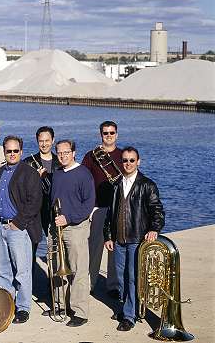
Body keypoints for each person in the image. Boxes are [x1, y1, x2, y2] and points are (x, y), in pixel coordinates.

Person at [104, 146, 165, 332]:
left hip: (137, 239)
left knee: (132, 278)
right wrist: (108, 235)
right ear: (120, 162)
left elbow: (157, 211)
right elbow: (110, 213)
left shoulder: (147, 184)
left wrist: (154, 228)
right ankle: (128, 308)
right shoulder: (116, 184)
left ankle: (129, 316)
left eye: (132, 160)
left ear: (138, 162)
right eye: (125, 160)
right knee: (121, 278)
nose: (128, 163)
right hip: (119, 240)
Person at [0, 135, 43, 324]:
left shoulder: (29, 173)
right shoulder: (0, 172)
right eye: (8, 151)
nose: (12, 154)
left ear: (21, 152)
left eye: (15, 151)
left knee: (22, 271)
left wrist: (18, 223)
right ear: (4, 152)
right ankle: (8, 302)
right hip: (0, 226)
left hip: (18, 228)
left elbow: (35, 201)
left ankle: (23, 308)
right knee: (2, 269)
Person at [50, 140, 95, 327]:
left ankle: (80, 311)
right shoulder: (58, 172)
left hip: (75, 227)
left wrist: (68, 218)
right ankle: (60, 305)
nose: (62, 156)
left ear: (74, 152)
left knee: (78, 270)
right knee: (57, 267)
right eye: (59, 153)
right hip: (56, 227)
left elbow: (88, 204)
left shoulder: (83, 174)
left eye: (66, 152)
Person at [82, 120, 123, 297]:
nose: (108, 136)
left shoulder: (123, 155)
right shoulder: (91, 156)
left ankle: (113, 285)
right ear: (101, 135)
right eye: (105, 133)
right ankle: (90, 283)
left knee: (114, 248)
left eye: (111, 133)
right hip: (97, 208)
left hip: (118, 209)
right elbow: (83, 182)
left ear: (117, 134)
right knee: (95, 247)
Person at [23, 126, 60, 238]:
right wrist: (36, 180)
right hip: (35, 211)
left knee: (55, 243)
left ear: (53, 140)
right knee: (32, 245)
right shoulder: (28, 162)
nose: (44, 144)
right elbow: (22, 189)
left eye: (47, 141)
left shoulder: (60, 162)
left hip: (54, 210)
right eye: (41, 141)